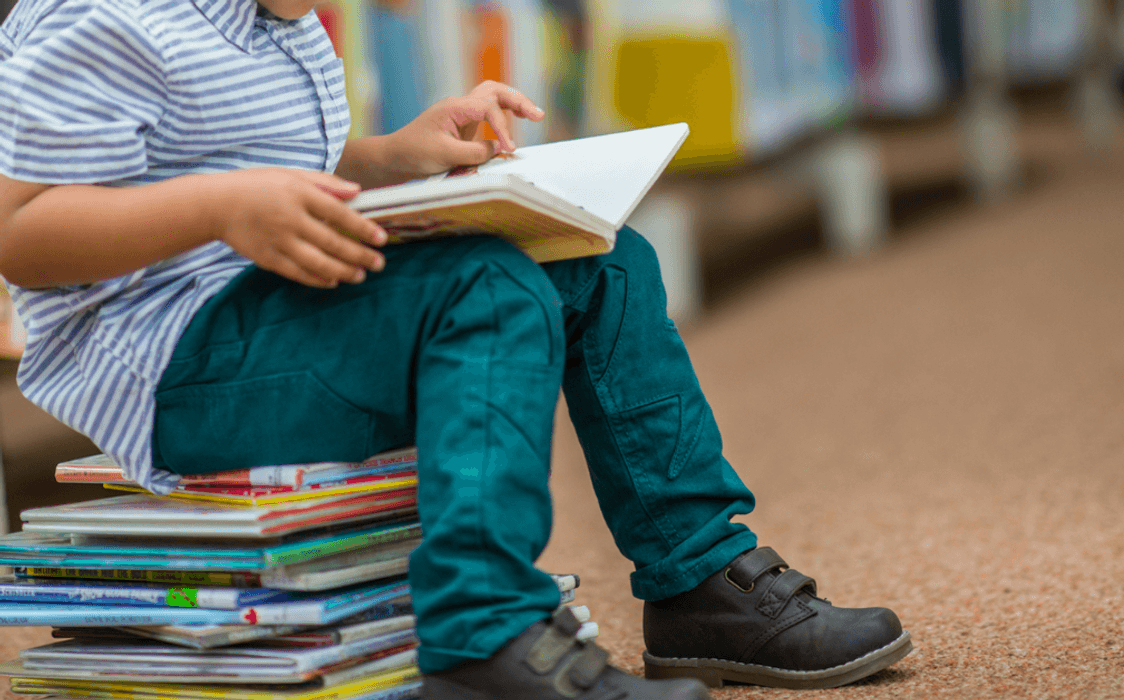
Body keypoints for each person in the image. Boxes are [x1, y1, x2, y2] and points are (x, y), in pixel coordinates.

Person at [0, 0, 911, 697]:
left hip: (279, 308)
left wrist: (390, 156)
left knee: (599, 255)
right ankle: (480, 636)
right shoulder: (105, 19)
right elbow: (19, 228)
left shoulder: (277, 22)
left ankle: (698, 581)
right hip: (175, 369)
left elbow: (250, 153)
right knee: (486, 283)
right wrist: (221, 207)